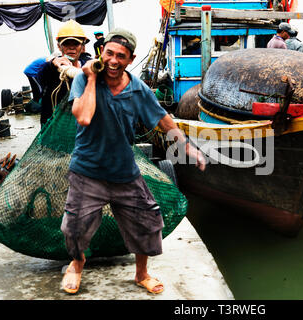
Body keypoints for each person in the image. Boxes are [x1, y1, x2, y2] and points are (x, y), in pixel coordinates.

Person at [60, 28, 206, 295]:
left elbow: (162, 119)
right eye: (110, 53)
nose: (114, 61)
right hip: (87, 171)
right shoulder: (84, 79)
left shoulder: (138, 89)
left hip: (124, 172)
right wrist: (91, 78)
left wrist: (187, 147)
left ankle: (141, 274)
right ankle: (77, 264)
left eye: (121, 56)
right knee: (75, 227)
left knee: (147, 223)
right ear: (101, 53)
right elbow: (83, 116)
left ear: (131, 59)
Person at [37, 19, 88, 127]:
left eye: (76, 43)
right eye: (66, 43)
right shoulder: (52, 69)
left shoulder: (88, 67)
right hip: (55, 127)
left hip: (82, 125)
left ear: (83, 47)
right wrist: (52, 64)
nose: (71, 47)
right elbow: (41, 77)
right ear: (59, 47)